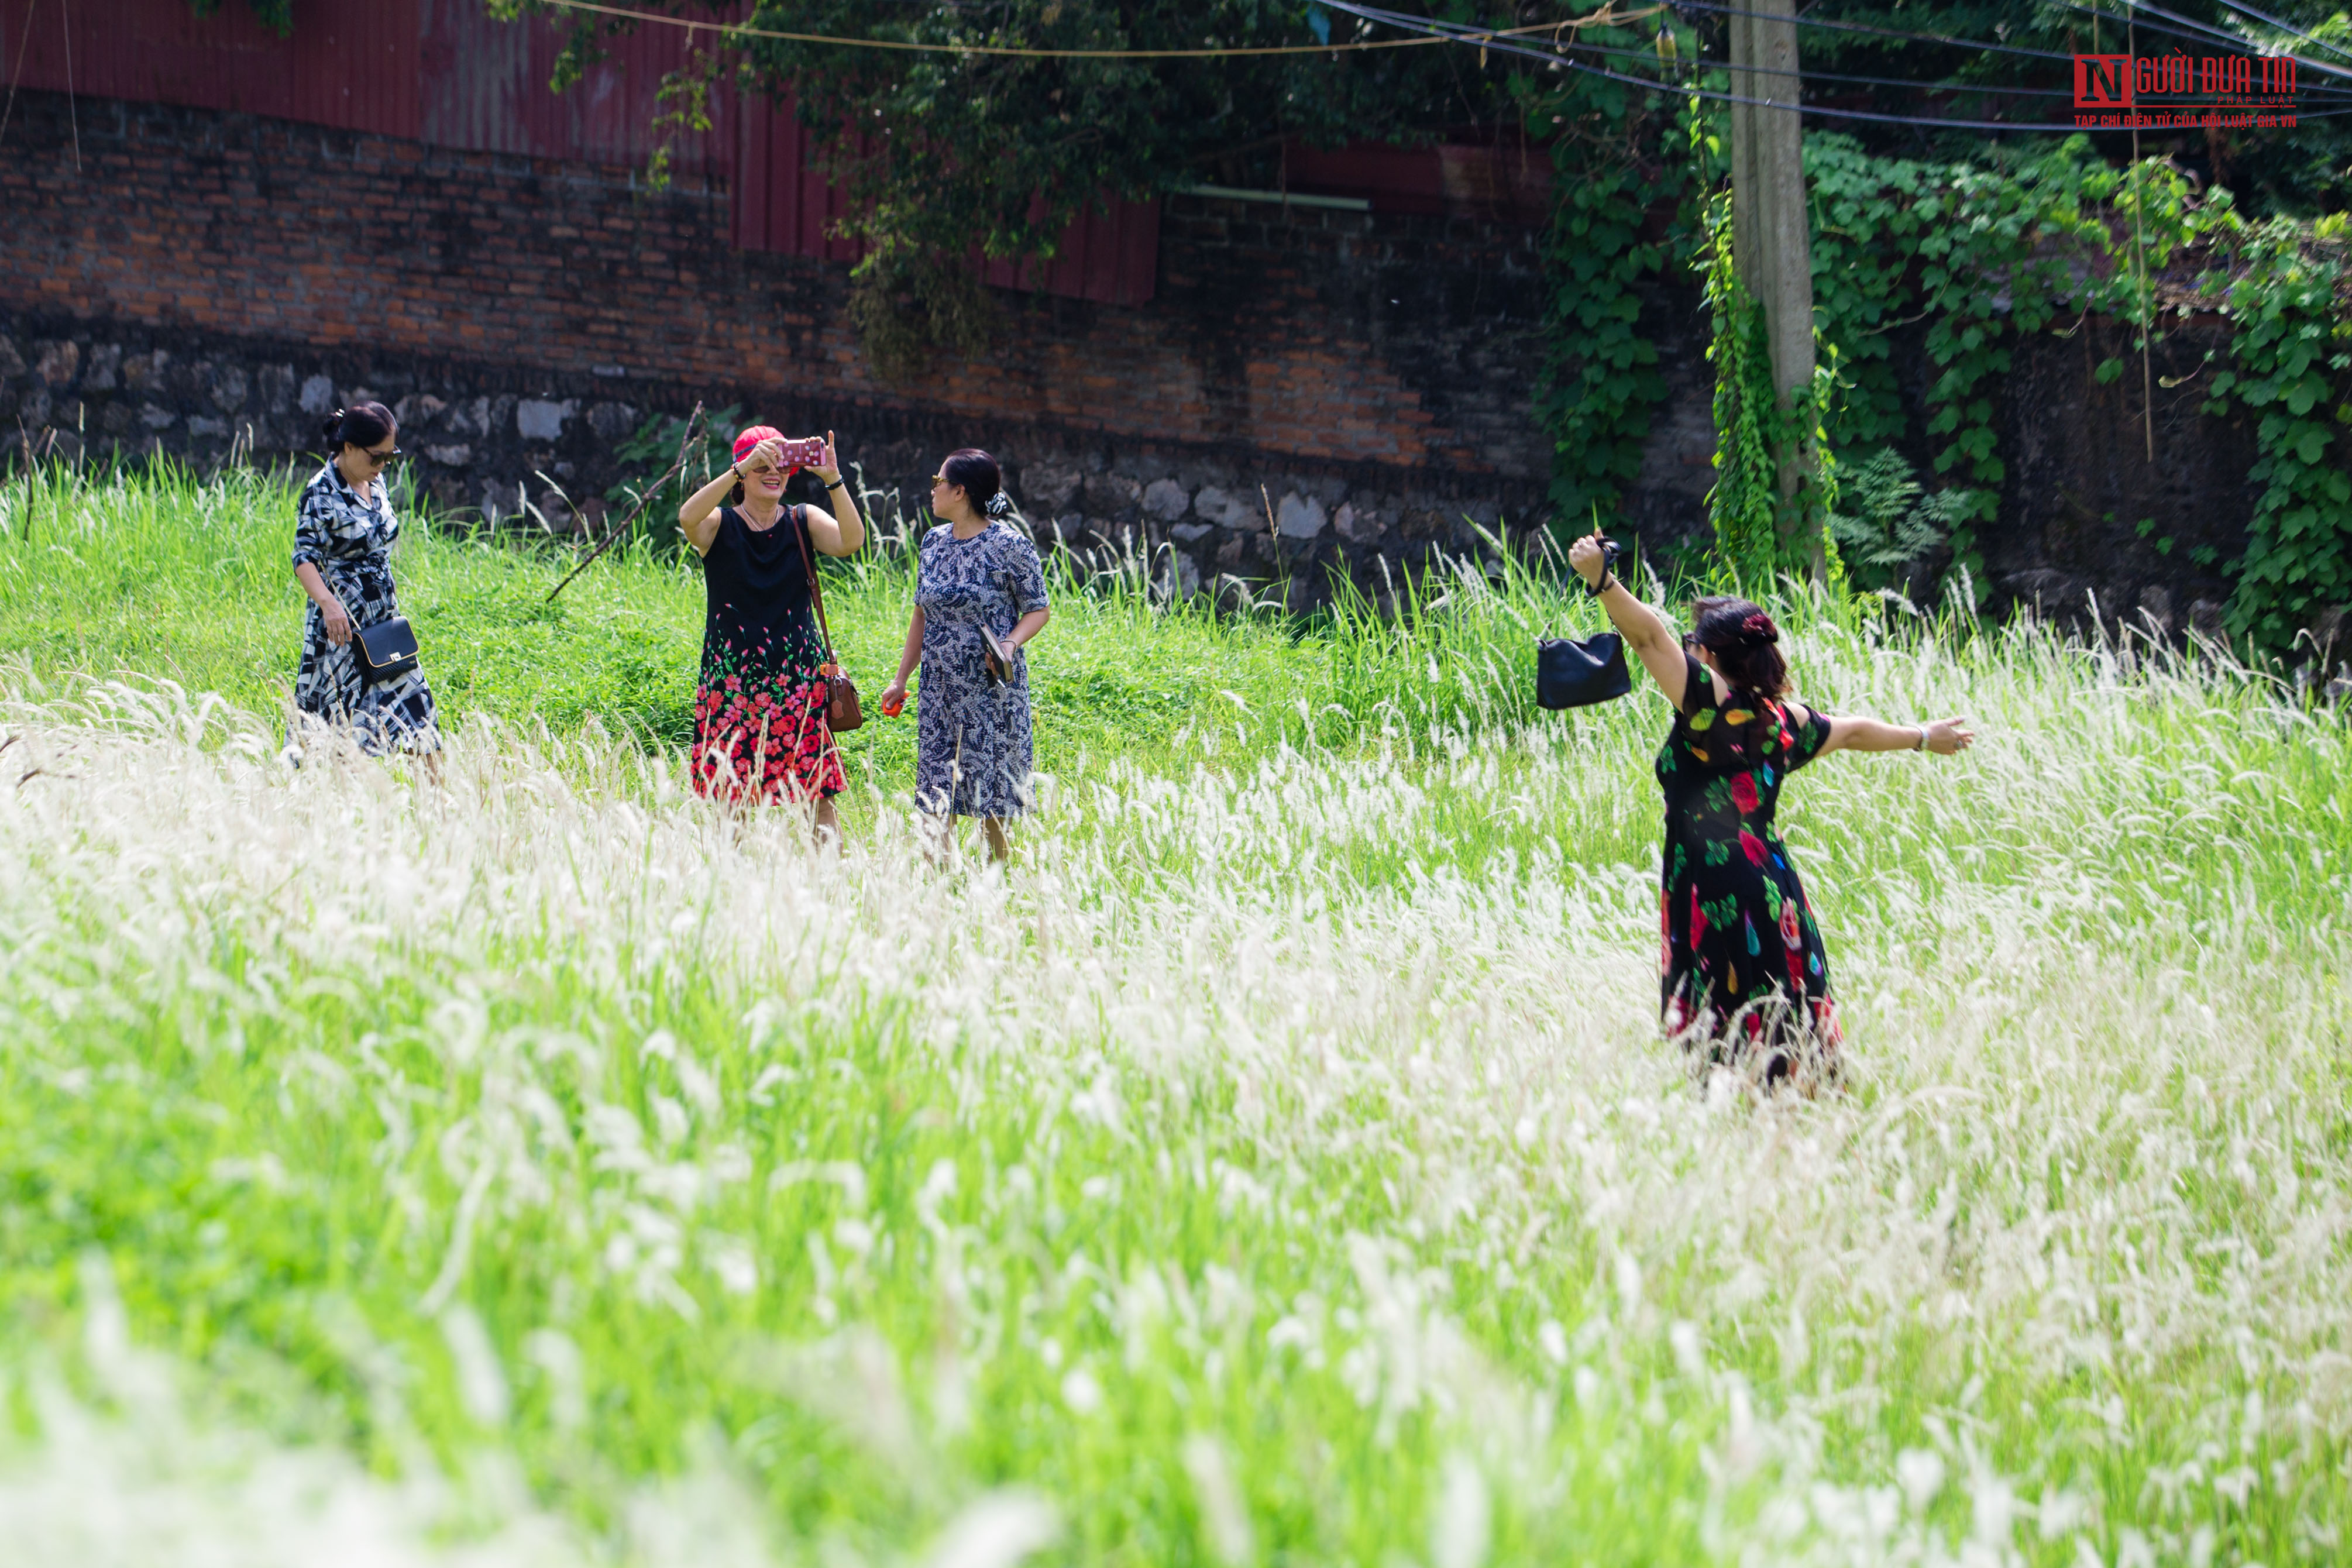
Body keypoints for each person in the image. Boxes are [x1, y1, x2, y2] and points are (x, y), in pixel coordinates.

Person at [1568, 531, 1975, 1089]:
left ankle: (1747, 1137)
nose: (1685, 649)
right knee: (1782, 1028)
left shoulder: (1711, 704)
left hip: (1717, 891)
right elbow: (1854, 732)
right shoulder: (1785, 721)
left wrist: (1602, 581)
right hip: (1775, 887)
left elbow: (1646, 638)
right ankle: (1794, 1122)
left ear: (1709, 657)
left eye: (1693, 643)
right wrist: (1923, 736)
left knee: (1724, 1037)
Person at [678, 425, 867, 841]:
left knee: (818, 792)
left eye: (781, 464)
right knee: (733, 793)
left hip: (797, 680)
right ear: (743, 472)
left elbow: (852, 541)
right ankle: (736, 886)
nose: (773, 472)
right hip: (732, 682)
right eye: (761, 464)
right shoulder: (718, 527)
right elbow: (687, 518)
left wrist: (833, 479)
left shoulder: (803, 519)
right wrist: (736, 468)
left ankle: (829, 886)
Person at [876, 449, 1051, 863]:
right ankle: (934, 884)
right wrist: (901, 679)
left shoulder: (1009, 545)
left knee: (990, 790)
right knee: (936, 790)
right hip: (938, 691)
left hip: (990, 690)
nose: (933, 489)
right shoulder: (933, 543)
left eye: (939, 482)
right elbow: (921, 612)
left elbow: (1038, 609)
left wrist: (1009, 644)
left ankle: (997, 878)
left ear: (960, 491)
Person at [290, 401, 441, 764]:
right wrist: (329, 605)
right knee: (341, 735)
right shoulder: (320, 492)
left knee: (422, 724)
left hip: (385, 621)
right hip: (343, 626)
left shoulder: (377, 482)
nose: (383, 466)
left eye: (391, 457)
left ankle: (440, 813)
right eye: (377, 457)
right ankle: (338, 812)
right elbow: (303, 557)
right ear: (349, 447)